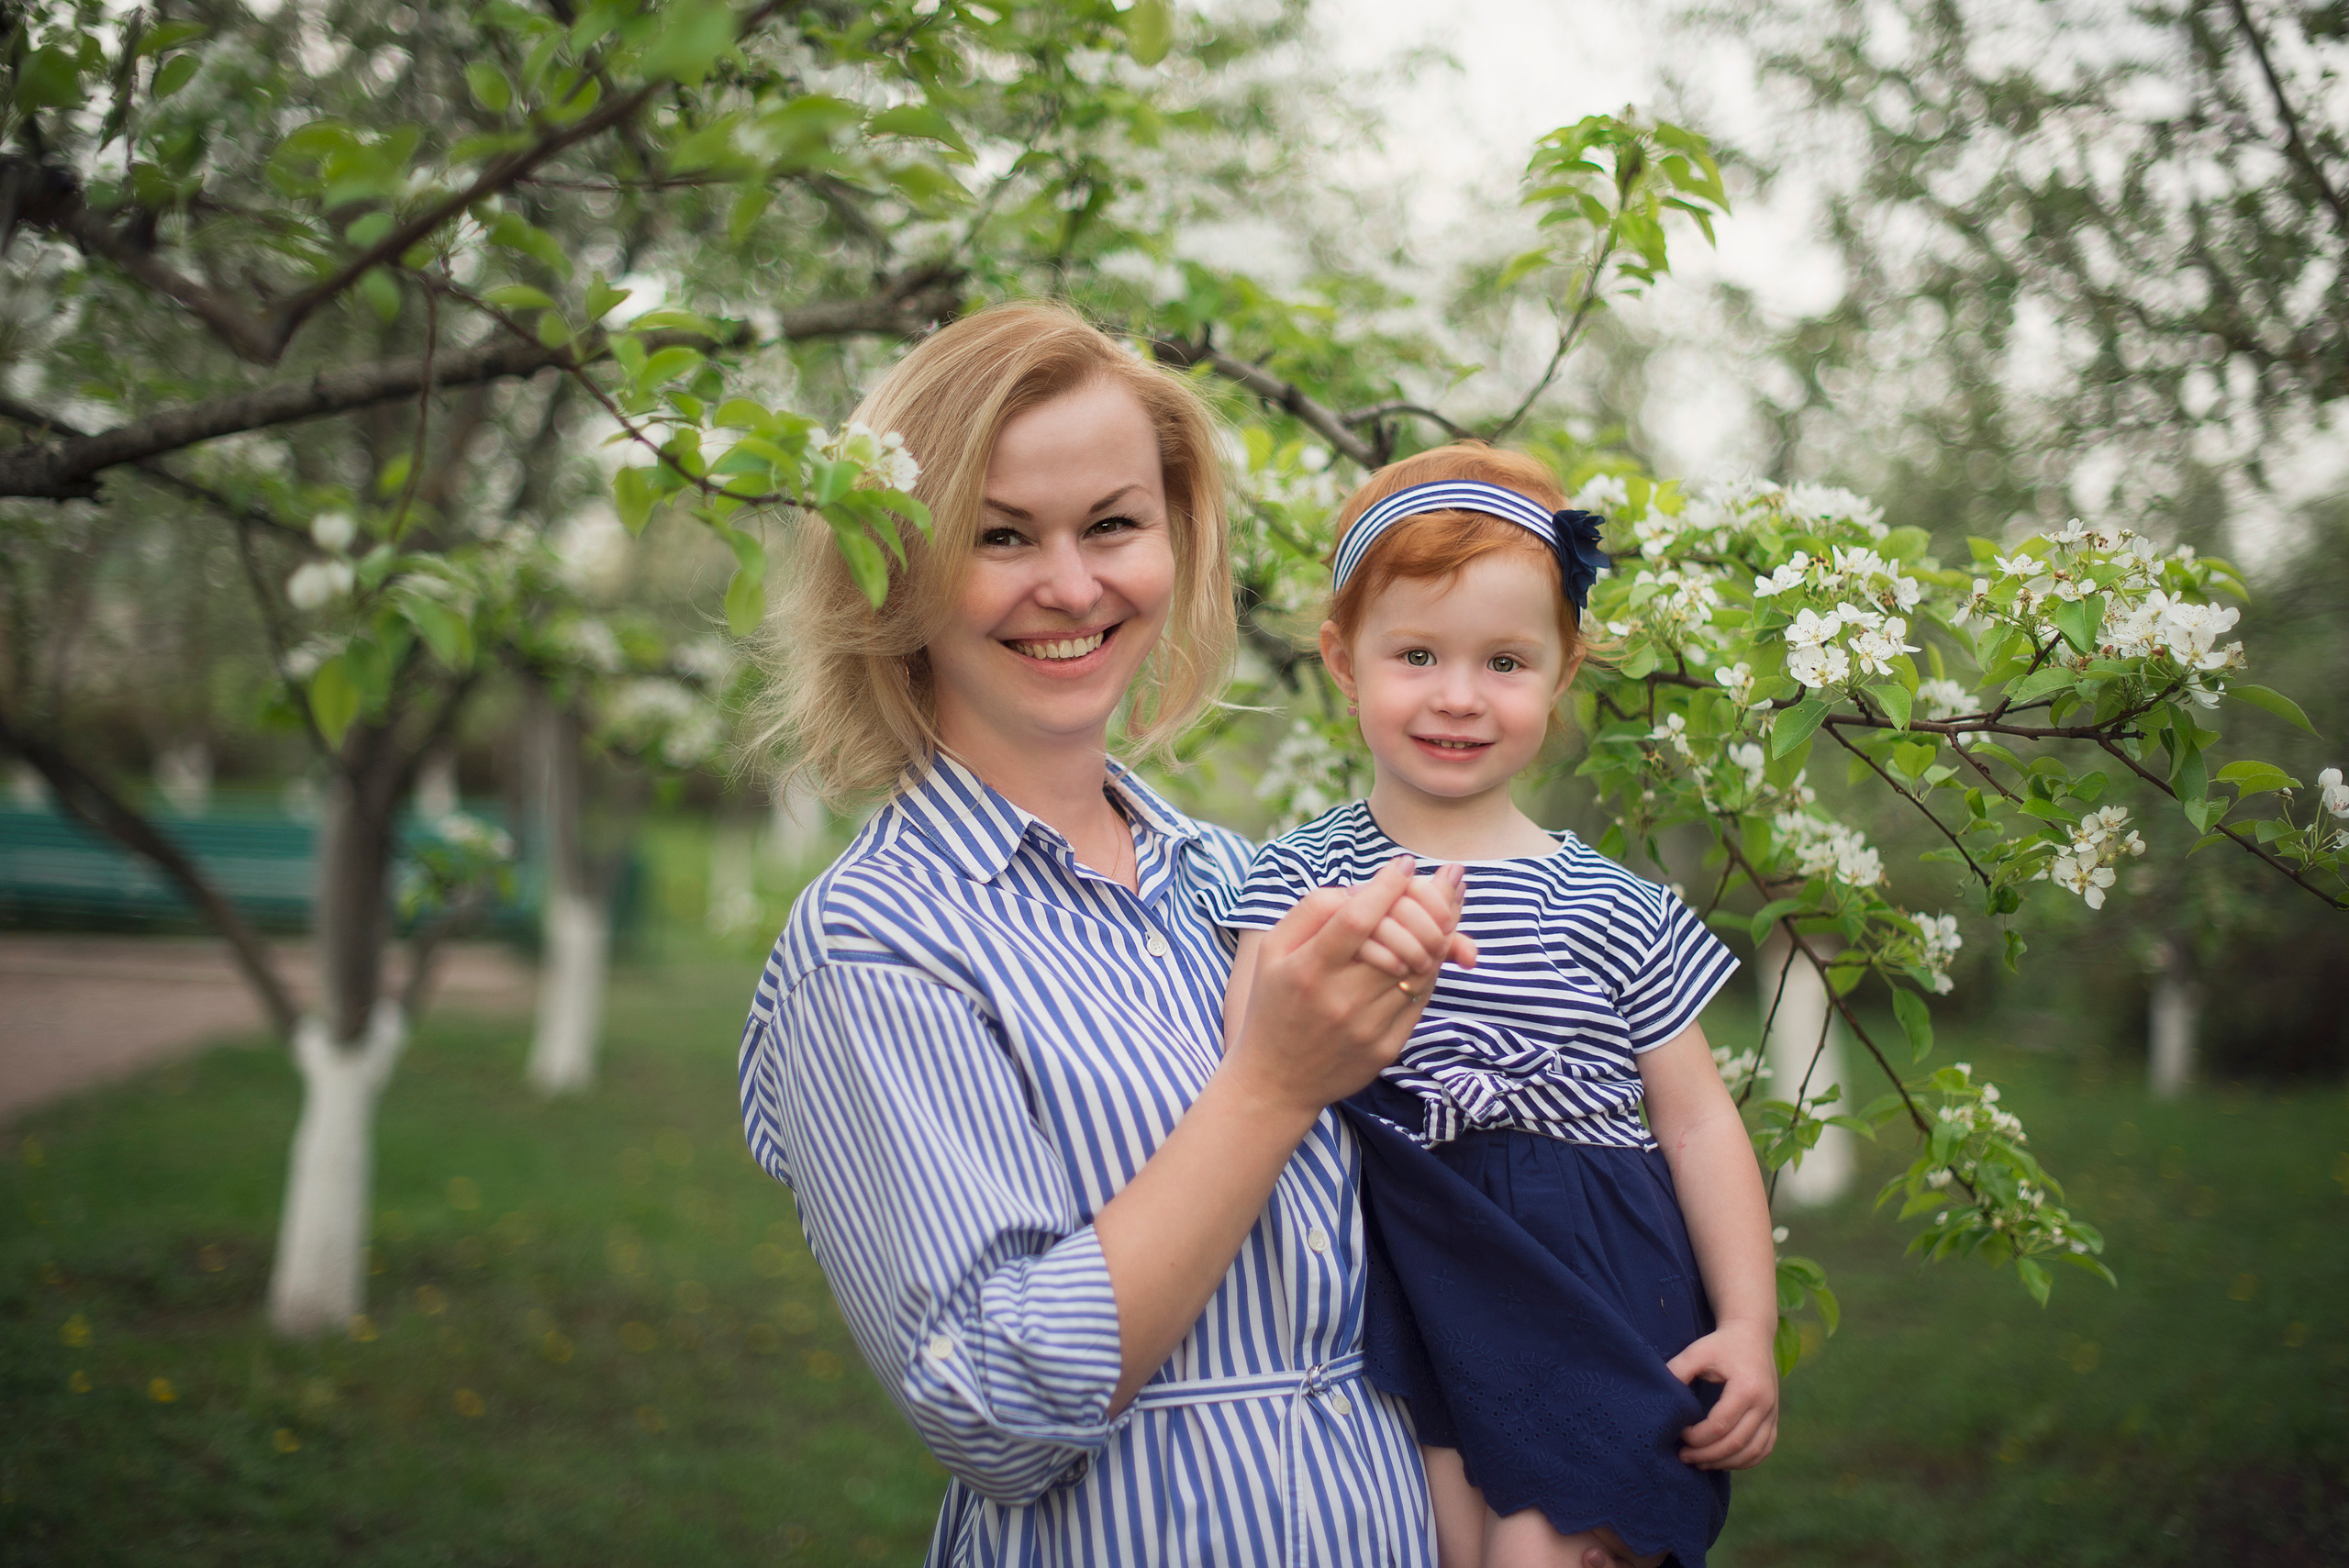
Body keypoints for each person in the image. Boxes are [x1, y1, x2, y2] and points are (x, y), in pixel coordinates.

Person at [736, 302, 1475, 1565]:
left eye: (1114, 525)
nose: (1071, 586)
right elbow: (994, 1410)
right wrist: (1272, 1084)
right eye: (999, 534)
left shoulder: (1240, 888)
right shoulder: (873, 947)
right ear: (894, 568)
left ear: (1176, 539)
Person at [1215, 443, 1780, 1568]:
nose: (1459, 697)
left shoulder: (1615, 904)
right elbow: (1247, 1062)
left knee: (1547, 1543)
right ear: (1342, 657)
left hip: (1587, 1260)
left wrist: (1748, 1323)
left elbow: (1700, 1120)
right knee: (1435, 1537)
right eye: (1416, 653)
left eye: (1507, 661)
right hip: (1410, 1251)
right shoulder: (1295, 879)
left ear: (1563, 669)